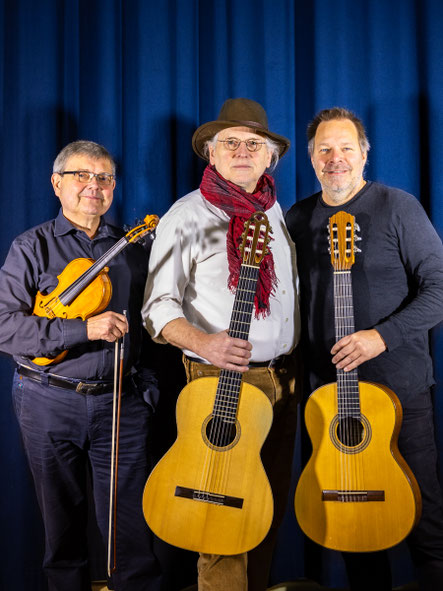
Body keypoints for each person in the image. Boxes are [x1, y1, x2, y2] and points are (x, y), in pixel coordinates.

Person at [142, 98, 300, 591]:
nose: (242, 151)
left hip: (283, 382)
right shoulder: (187, 214)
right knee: (222, 525)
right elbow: (156, 307)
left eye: (254, 143)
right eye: (230, 142)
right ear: (211, 153)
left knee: (265, 511)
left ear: (270, 157)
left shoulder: (275, 211)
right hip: (219, 381)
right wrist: (204, 343)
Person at [285, 107, 443, 591]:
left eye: (345, 148)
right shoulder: (298, 218)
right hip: (329, 399)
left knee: (425, 518)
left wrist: (382, 336)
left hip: (399, 394)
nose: (335, 158)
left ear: (364, 154)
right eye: (324, 149)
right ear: (311, 158)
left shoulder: (398, 207)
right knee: (354, 525)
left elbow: (439, 288)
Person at [0, 140, 162, 591]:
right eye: (82, 175)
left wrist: (146, 387)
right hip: (47, 400)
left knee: (132, 530)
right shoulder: (30, 246)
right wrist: (82, 330)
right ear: (57, 184)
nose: (94, 185)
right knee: (62, 528)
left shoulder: (132, 248)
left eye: (104, 178)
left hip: (121, 404)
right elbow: (5, 327)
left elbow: (152, 322)